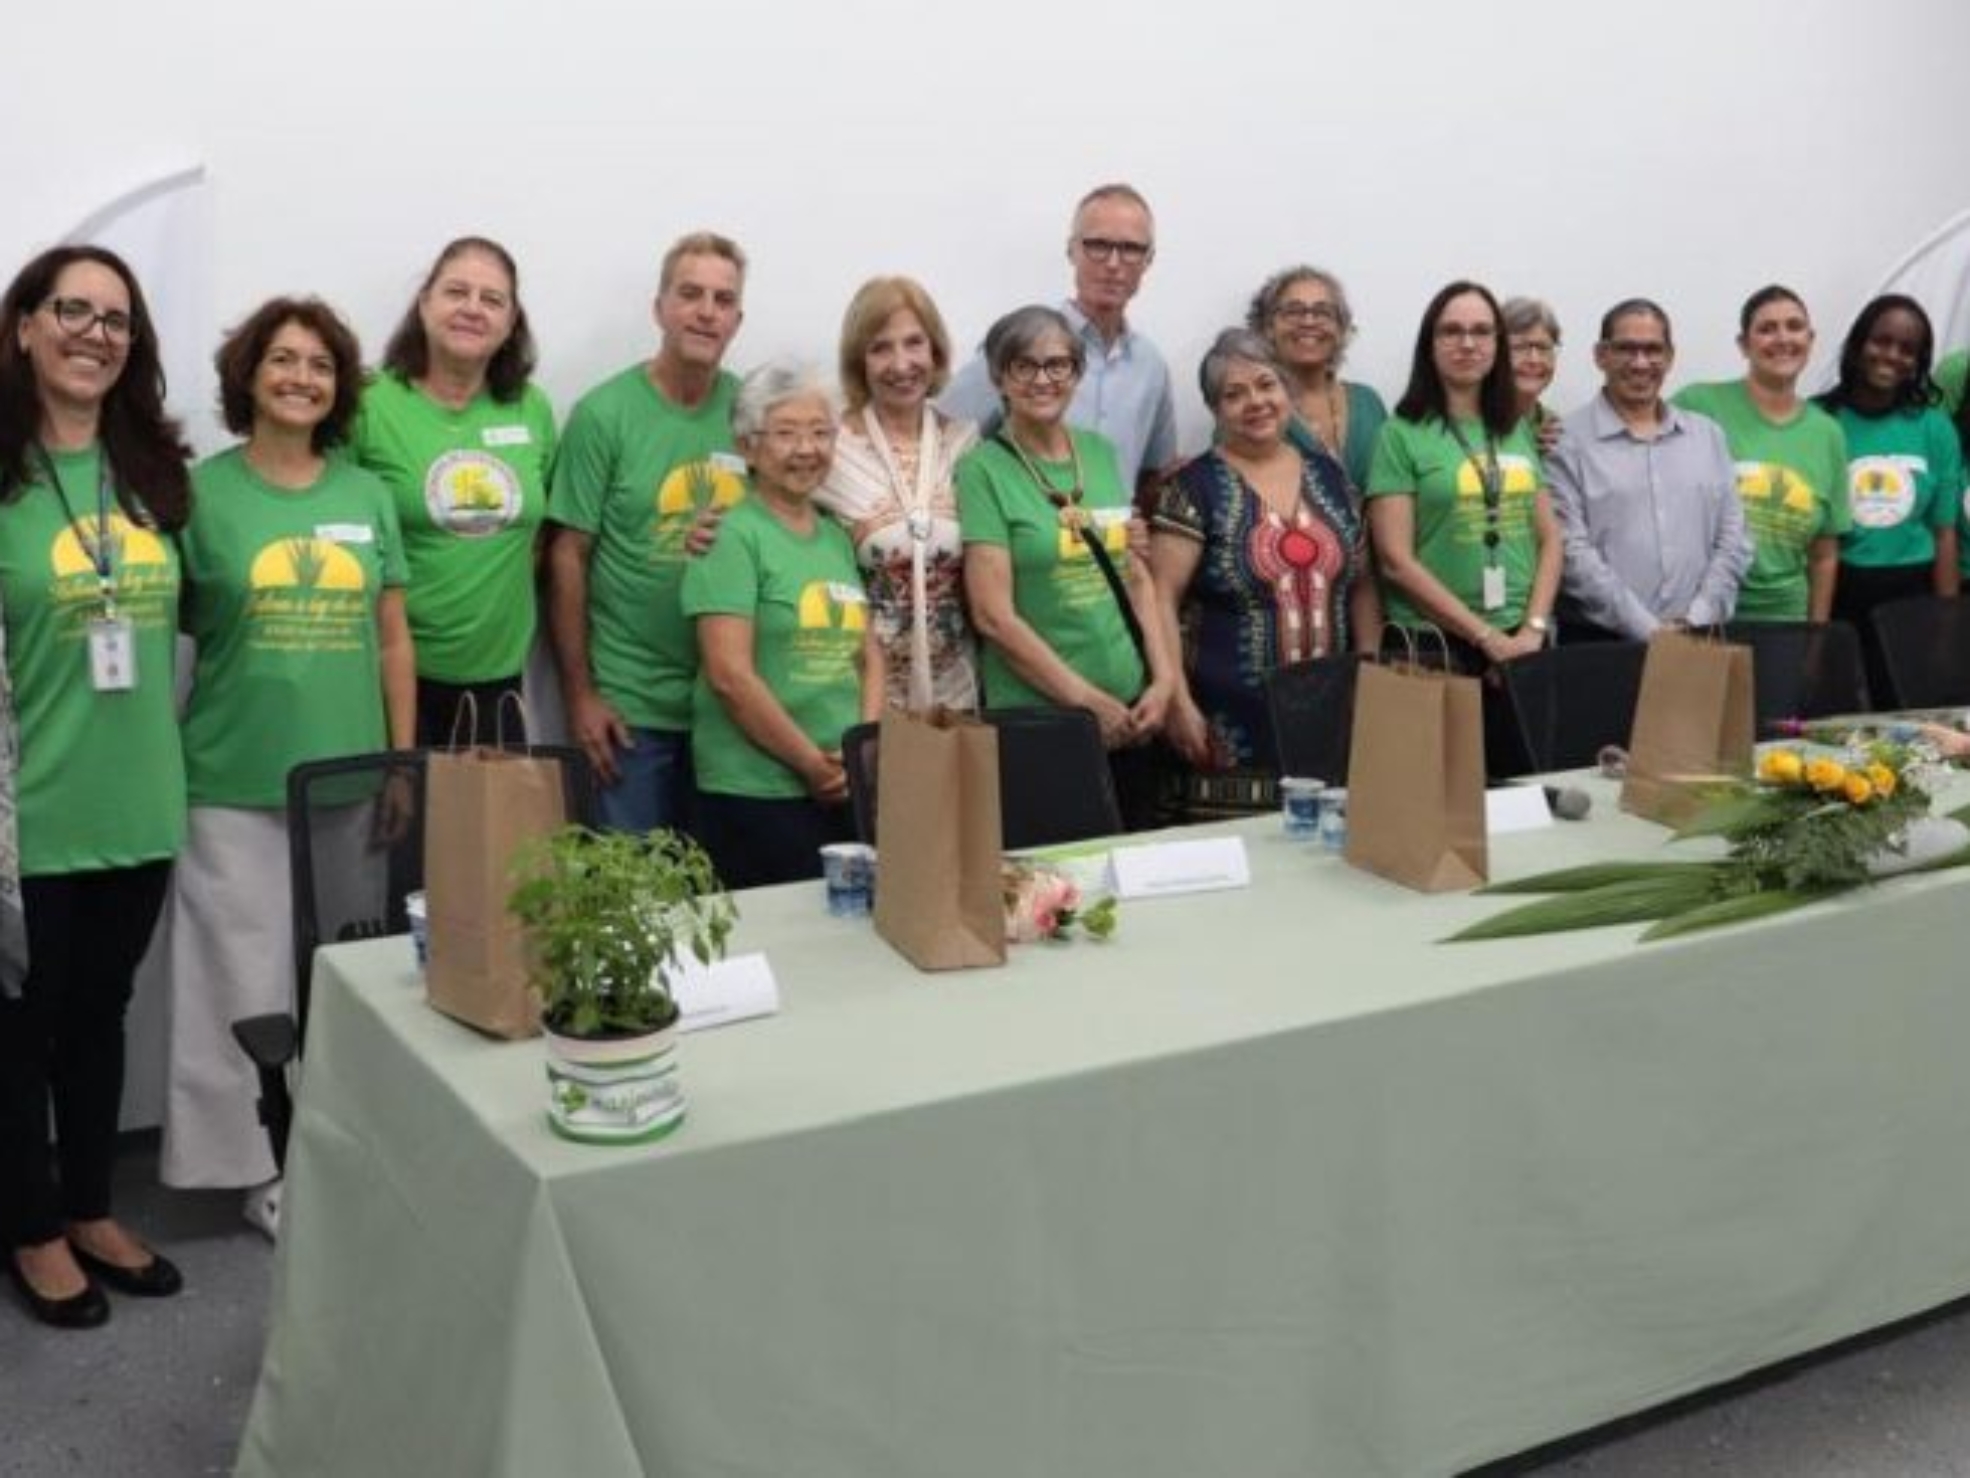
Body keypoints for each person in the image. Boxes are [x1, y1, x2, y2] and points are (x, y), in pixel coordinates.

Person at [160, 298, 414, 1234]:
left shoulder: (365, 496)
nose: (301, 377)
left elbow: (393, 641)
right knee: (240, 984)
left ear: (338, 387)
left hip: (349, 784)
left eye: (319, 364)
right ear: (248, 376)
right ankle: (254, 1169)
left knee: (343, 980)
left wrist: (400, 763)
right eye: (282, 360)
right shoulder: (196, 495)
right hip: (230, 780)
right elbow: (170, 624)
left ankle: (341, 1148)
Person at [0, 245, 191, 1327]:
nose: (92, 333)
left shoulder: (154, 470)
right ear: (25, 325)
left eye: (115, 319)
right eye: (70, 310)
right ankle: (29, 1224)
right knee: (19, 1033)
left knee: (102, 1013)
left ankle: (86, 1205)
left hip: (137, 800)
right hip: (27, 818)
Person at [548, 232, 748, 835]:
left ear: (738, 319)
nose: (706, 312)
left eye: (722, 299)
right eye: (690, 294)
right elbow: (566, 555)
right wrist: (581, 696)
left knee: (723, 905)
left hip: (726, 708)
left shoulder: (751, 414)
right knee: (635, 904)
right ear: (658, 307)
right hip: (630, 712)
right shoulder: (603, 415)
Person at [957, 305, 1177, 828]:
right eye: (1024, 366)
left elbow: (1135, 575)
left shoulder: (1100, 454)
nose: (1043, 379)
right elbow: (993, 617)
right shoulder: (981, 470)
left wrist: (1164, 679)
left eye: (1058, 365)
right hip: (1043, 723)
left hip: (1132, 714)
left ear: (1076, 374)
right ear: (998, 378)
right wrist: (1085, 702)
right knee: (1060, 888)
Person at [1150, 329, 1380, 816]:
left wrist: (1372, 671)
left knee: (1327, 862)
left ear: (1287, 392)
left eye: (1266, 385)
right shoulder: (1193, 488)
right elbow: (1161, 598)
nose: (1255, 402)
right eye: (1234, 394)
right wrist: (1177, 701)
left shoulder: (1330, 477)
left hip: (1331, 712)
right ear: (1216, 410)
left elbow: (1361, 583)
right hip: (1226, 721)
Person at [679, 364, 879, 887]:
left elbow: (868, 654)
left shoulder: (835, 536)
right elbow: (729, 675)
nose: (806, 449)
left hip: (844, 783)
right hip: (756, 789)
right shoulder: (728, 535)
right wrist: (811, 764)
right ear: (748, 447)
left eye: (819, 432)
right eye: (786, 433)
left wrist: (861, 749)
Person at [350, 237, 552, 744]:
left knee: (498, 826)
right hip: (388, 680)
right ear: (424, 304)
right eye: (456, 291)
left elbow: (541, 538)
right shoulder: (369, 404)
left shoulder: (531, 409)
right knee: (402, 824)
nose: (472, 309)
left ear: (511, 323)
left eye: (492, 299)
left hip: (501, 686)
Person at [1366, 280, 1561, 671]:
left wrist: (1534, 629)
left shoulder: (1515, 428)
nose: (1468, 344)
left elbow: (1551, 538)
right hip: (1435, 645)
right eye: (1452, 331)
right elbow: (1395, 562)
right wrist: (1484, 636)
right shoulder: (1399, 434)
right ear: (1430, 345)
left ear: (1498, 343)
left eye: (1482, 331)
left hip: (1522, 638)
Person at [942, 184, 1178, 501]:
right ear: (1072, 251)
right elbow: (944, 440)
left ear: (1148, 259)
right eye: (1097, 244)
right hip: (1024, 541)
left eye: (1131, 248)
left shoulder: (1151, 367)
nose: (1112, 263)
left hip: (1109, 545)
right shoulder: (1019, 341)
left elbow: (1155, 475)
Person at [1548, 298, 1751, 641]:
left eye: (1653, 349)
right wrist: (1648, 630)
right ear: (1601, 355)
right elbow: (1572, 553)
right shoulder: (1565, 442)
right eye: (1626, 348)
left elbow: (1734, 537)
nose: (1641, 363)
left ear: (1670, 356)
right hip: (1601, 644)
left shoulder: (1707, 436)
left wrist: (1698, 617)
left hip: (1700, 637)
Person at [819, 276, 979, 710]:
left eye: (914, 343)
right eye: (880, 348)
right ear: (859, 361)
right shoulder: (828, 449)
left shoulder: (968, 445)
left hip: (958, 697)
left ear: (935, 351)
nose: (901, 363)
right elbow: (775, 522)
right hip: (860, 699)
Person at [1673, 286, 1851, 624]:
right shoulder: (1697, 405)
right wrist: (1547, 429)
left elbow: (1824, 554)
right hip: (1700, 617)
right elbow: (1633, 435)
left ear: (1811, 339)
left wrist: (1817, 636)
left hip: (1787, 620)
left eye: (1794, 326)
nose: (1783, 338)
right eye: (1767, 329)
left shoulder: (1828, 433)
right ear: (1744, 344)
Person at [1813, 295, 1962, 638]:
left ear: (1918, 362)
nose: (1892, 355)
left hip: (1913, 596)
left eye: (1907, 349)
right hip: (1834, 591)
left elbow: (1944, 534)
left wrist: (1948, 622)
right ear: (1858, 343)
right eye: (1882, 341)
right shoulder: (1817, 421)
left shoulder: (1935, 429)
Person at [1246, 265, 1387, 495]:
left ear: (1341, 329)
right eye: (1293, 311)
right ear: (1268, 327)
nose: (1309, 321)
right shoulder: (1250, 407)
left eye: (1323, 312)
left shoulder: (1368, 403)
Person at [1503, 296, 1564, 451]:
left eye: (1543, 348)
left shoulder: (1558, 430)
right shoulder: (1468, 422)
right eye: (1520, 347)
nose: (1534, 360)